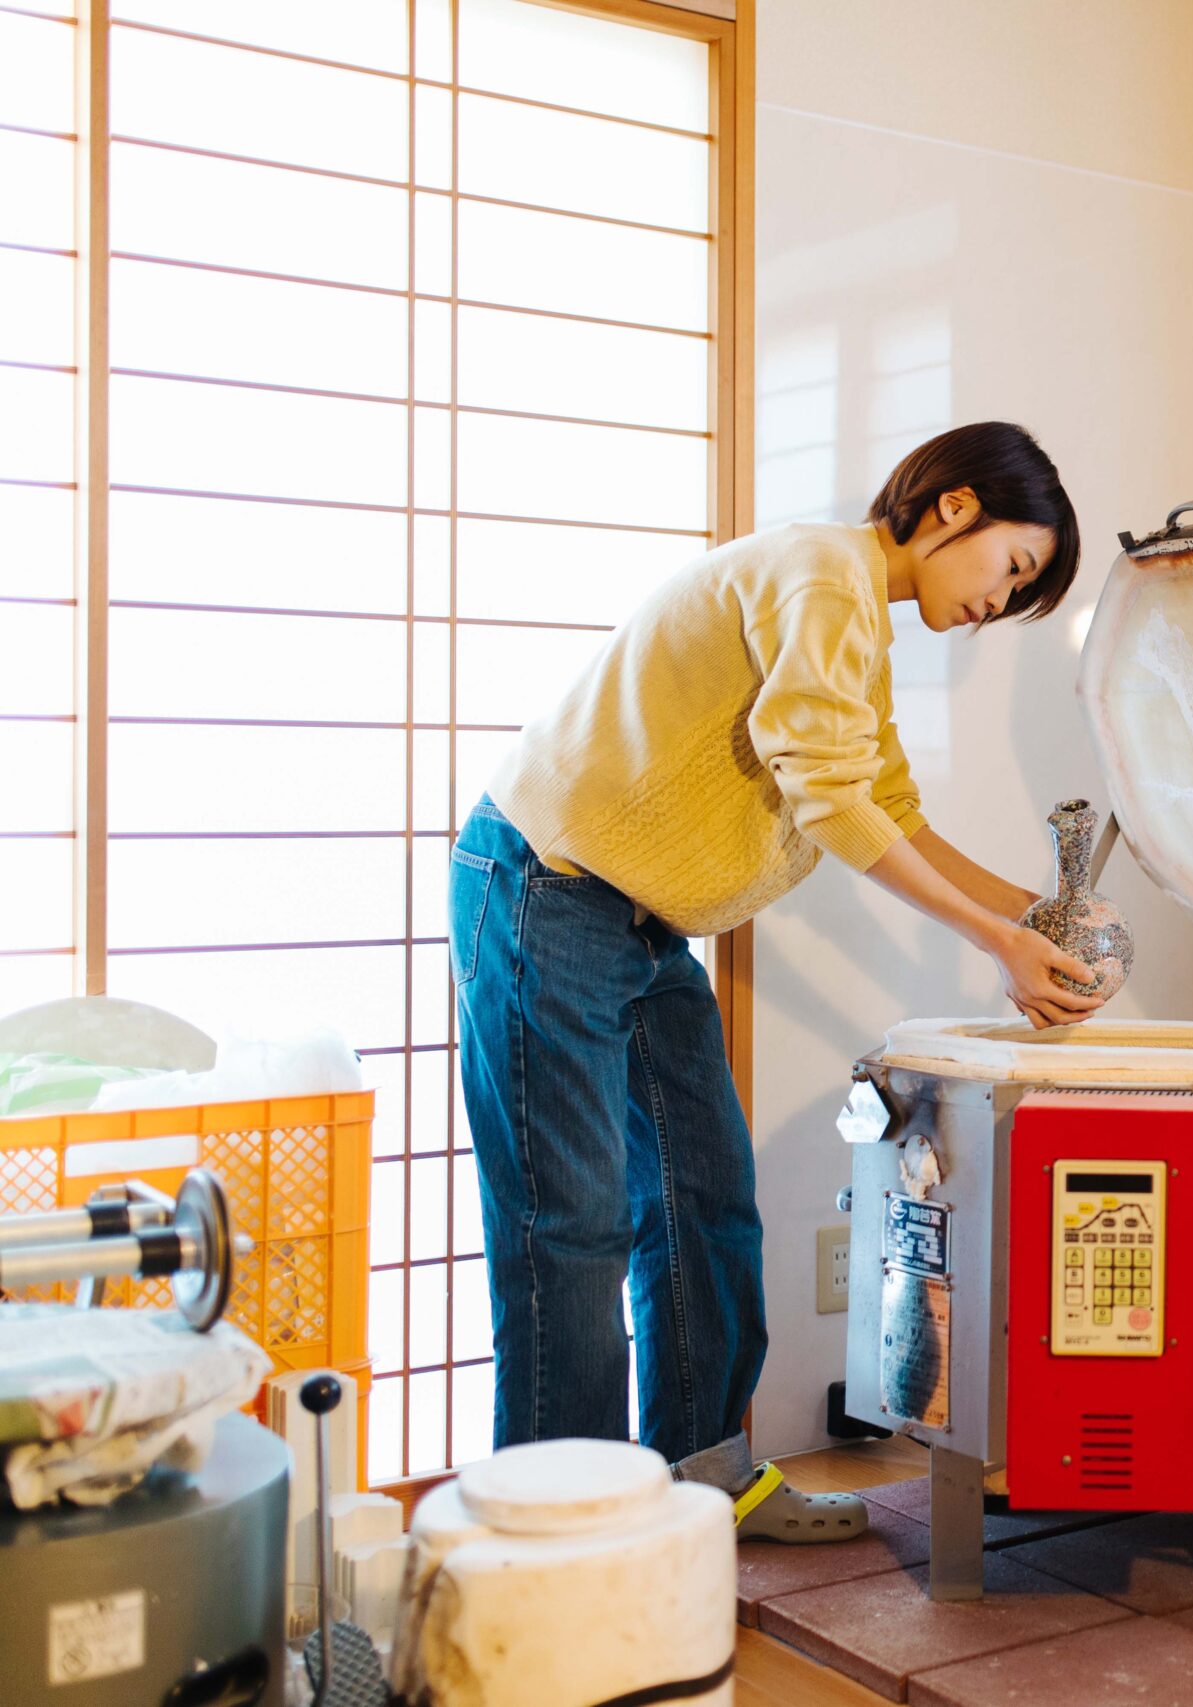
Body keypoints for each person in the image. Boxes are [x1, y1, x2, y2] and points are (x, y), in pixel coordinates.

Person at [449, 422, 1103, 1540]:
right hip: (544, 887)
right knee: (572, 1225)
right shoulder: (823, 574)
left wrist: (1037, 919)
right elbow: (831, 803)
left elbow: (889, 807)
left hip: (641, 928)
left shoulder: (851, 611)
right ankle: (560, 1528)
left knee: (706, 1207)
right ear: (951, 508)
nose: (1002, 601)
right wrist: (999, 943)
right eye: (1013, 568)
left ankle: (702, 1481)